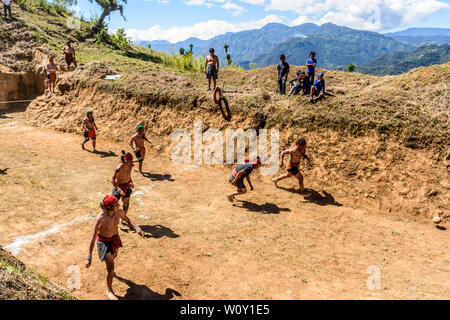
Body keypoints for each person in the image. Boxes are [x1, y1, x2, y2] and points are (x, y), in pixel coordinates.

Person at [85, 195, 143, 300]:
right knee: (111, 267)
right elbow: (93, 237)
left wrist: (136, 227)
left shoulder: (118, 212)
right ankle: (109, 290)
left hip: (115, 239)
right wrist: (89, 256)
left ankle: (110, 271)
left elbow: (127, 219)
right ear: (110, 207)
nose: (119, 205)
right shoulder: (100, 219)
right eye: (116, 204)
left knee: (113, 258)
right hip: (103, 243)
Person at [111, 151, 144, 236]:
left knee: (126, 205)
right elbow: (113, 180)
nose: (130, 161)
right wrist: (118, 190)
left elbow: (128, 174)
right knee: (112, 205)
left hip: (126, 186)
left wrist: (131, 181)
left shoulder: (130, 165)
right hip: (118, 186)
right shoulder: (119, 167)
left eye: (131, 159)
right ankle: (112, 221)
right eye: (128, 159)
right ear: (124, 160)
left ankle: (122, 220)